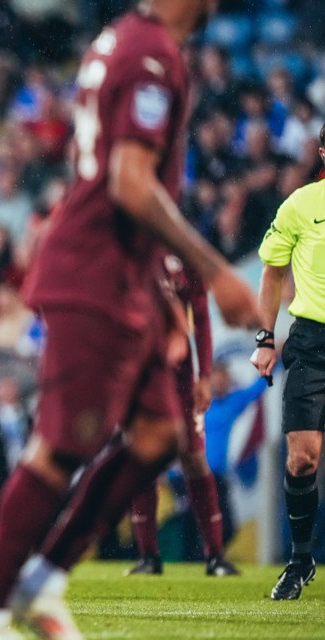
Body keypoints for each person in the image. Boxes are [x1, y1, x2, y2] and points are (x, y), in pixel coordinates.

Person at [0, 2, 262, 638]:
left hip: (126, 276)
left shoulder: (127, 41)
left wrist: (162, 295)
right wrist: (215, 270)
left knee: (158, 436)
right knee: (60, 449)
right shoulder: (150, 54)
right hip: (95, 272)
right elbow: (128, 183)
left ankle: (41, 585)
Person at [126, 257, 238, 577]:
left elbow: (200, 318)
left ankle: (215, 555)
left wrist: (203, 377)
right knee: (143, 459)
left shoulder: (183, 254)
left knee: (194, 458)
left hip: (178, 376)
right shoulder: (128, 248)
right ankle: (148, 556)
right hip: (140, 375)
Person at [252, 122, 325, 601]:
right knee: (302, 458)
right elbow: (272, 271)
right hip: (312, 341)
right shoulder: (300, 204)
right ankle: (300, 561)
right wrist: (265, 338)